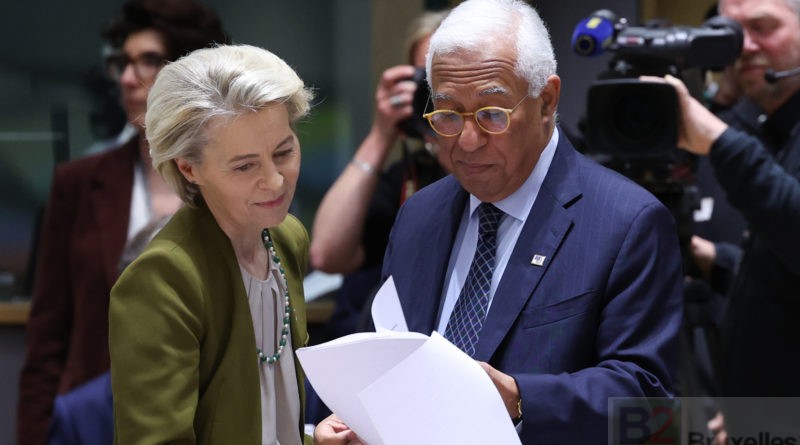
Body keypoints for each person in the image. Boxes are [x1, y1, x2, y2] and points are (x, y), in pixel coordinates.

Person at [379, 0, 683, 442]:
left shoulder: (627, 222)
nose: (466, 140)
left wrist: (522, 398)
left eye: (492, 114)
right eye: (447, 113)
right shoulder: (419, 215)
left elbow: (646, 398)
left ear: (546, 102)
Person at [108, 43, 357, 445]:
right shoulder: (162, 279)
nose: (275, 180)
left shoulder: (285, 237)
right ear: (188, 168)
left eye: (284, 152)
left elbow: (264, 421)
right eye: (245, 166)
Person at [16, 1, 229, 444]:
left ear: (186, 71)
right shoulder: (79, 182)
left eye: (149, 61)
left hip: (207, 414)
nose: (129, 78)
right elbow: (48, 336)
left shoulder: (229, 179)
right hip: (96, 415)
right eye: (123, 64)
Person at [649, 0, 800, 438]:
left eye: (763, 27)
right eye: (731, 32)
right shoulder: (775, 128)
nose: (745, 46)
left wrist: (715, 137)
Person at [310, 9, 449, 340]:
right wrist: (382, 133)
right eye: (427, 81)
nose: (442, 97)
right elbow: (326, 254)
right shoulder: (411, 175)